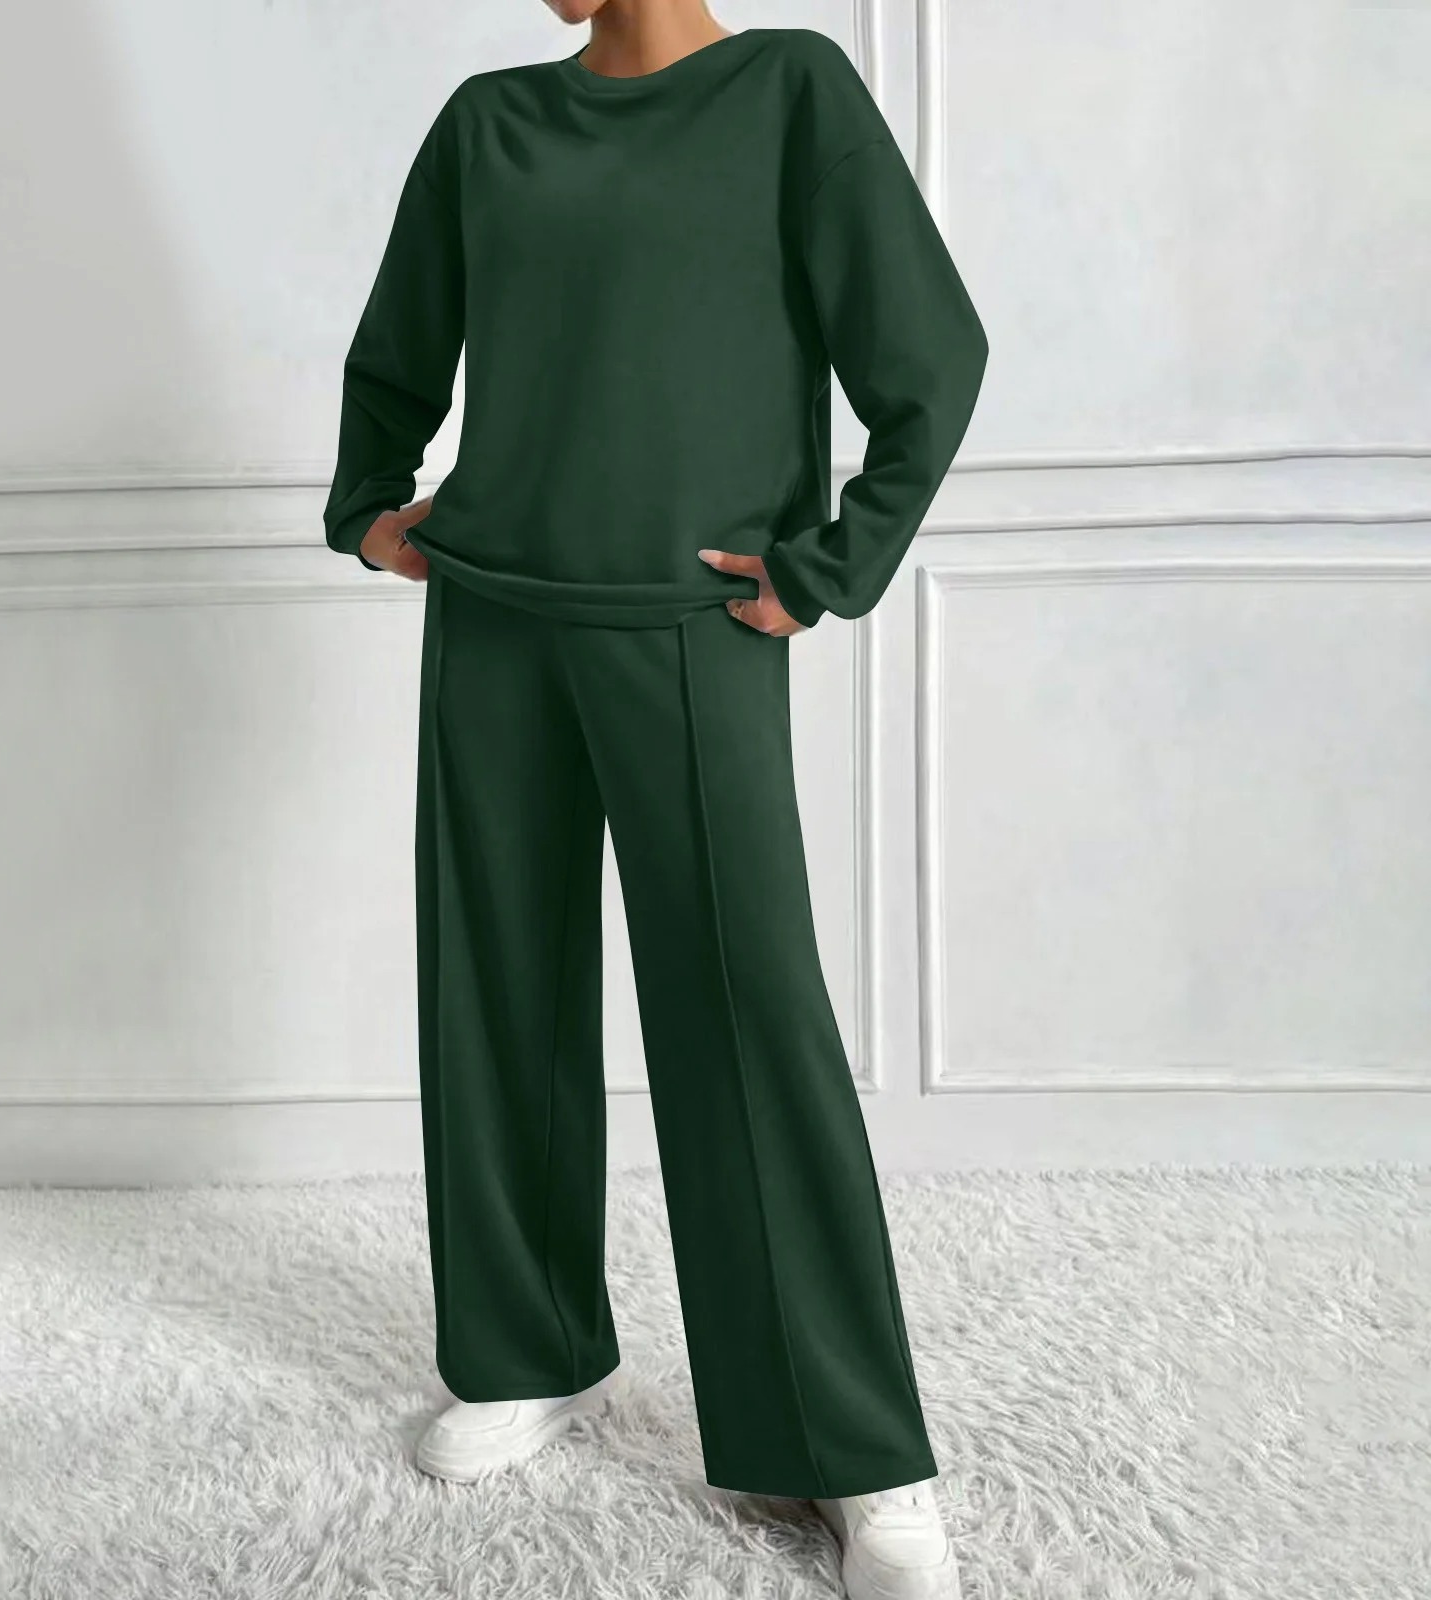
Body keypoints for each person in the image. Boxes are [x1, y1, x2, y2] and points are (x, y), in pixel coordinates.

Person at [322, 4, 988, 1596]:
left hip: (693, 617)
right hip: (493, 609)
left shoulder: (789, 90)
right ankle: (526, 1348)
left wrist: (828, 566)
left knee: (746, 1008)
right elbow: (401, 340)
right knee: (494, 987)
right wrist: (369, 503)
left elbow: (931, 356)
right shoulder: (489, 123)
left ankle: (849, 1442)